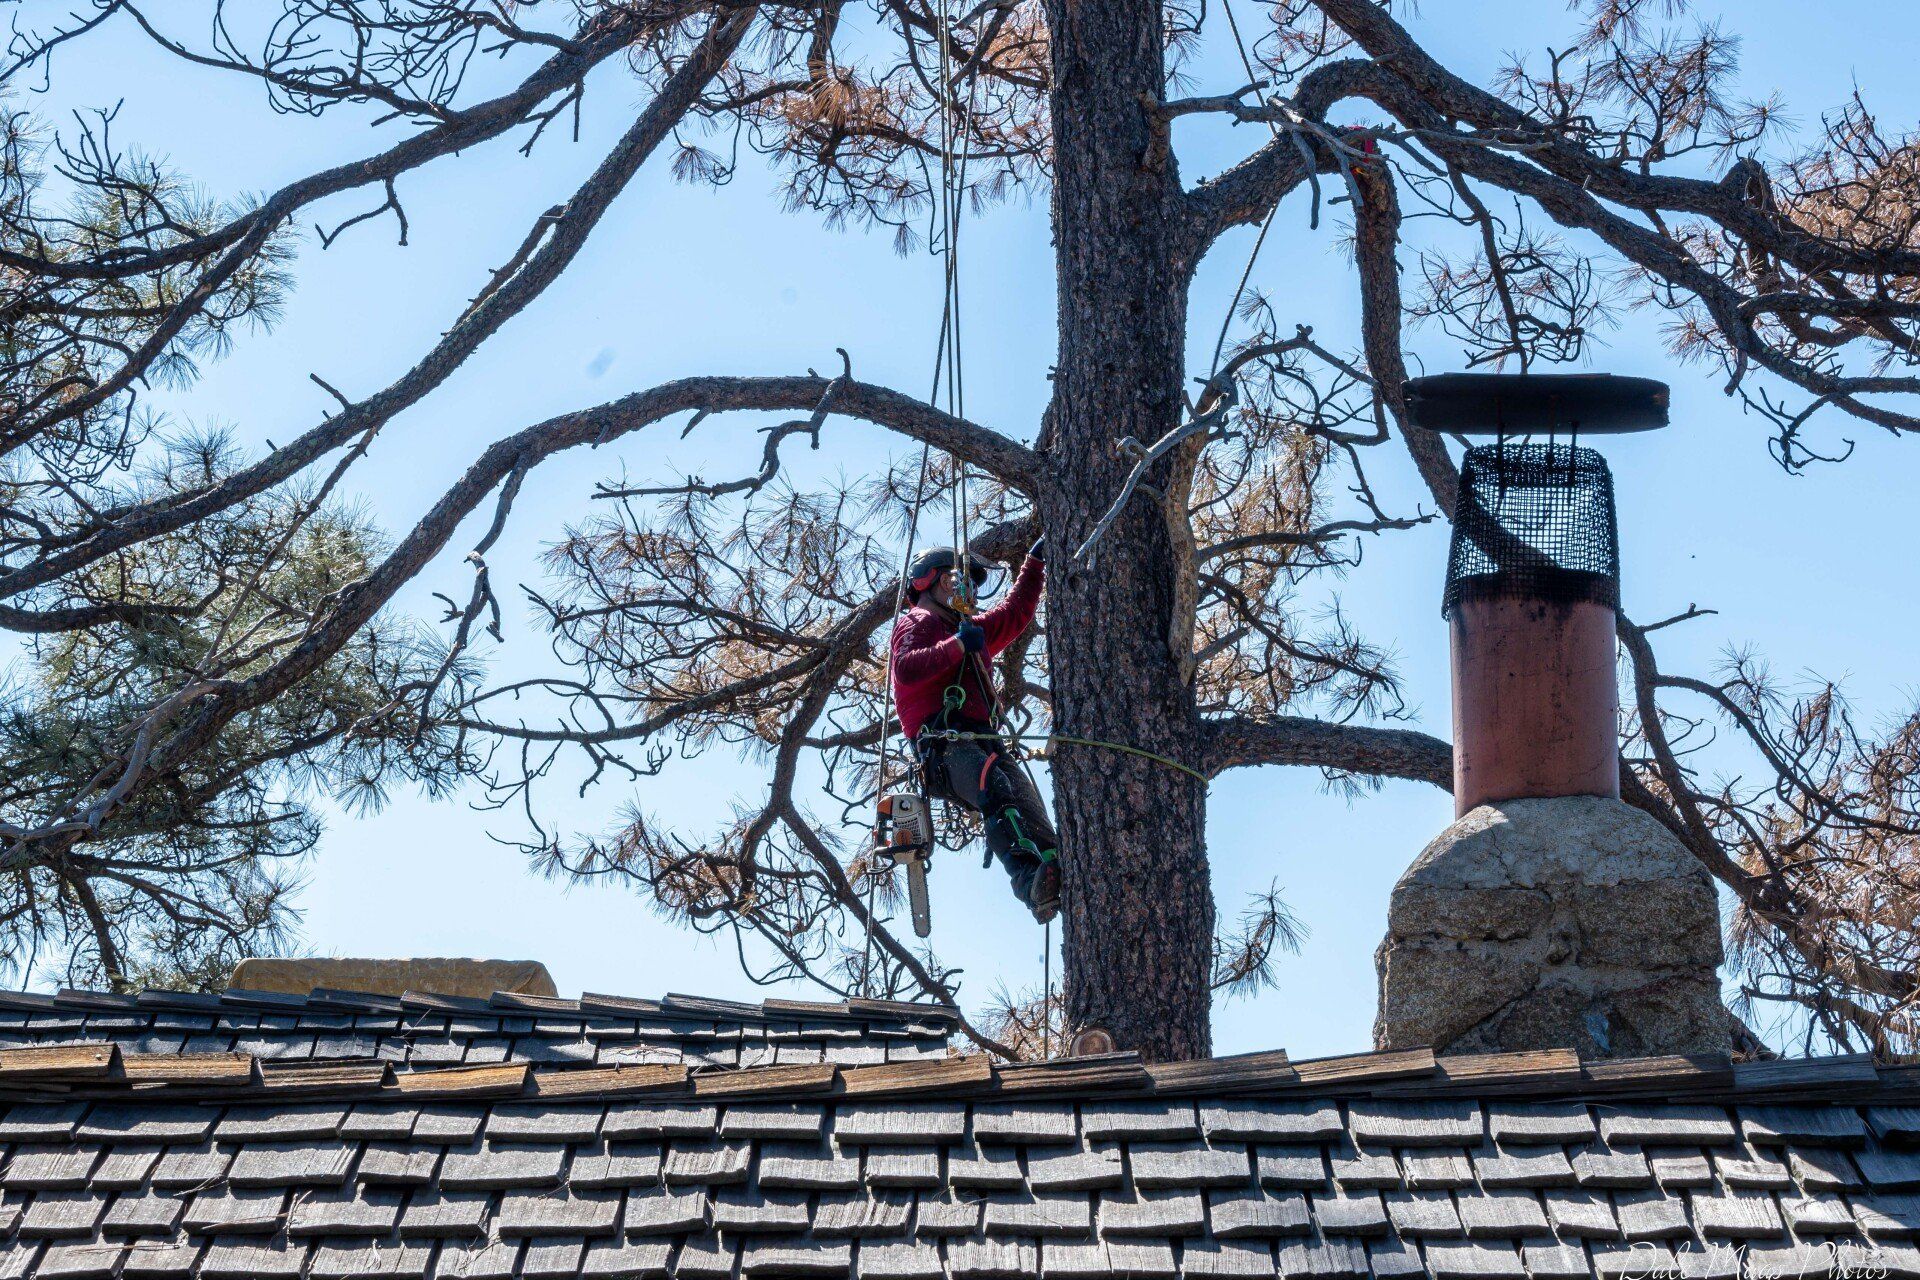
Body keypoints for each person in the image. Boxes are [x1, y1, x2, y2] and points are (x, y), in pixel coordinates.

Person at [889, 537, 1061, 923]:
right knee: (994, 787)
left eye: (970, 584)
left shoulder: (972, 630)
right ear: (927, 581)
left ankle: (1052, 873)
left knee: (1028, 804)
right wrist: (955, 646)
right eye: (955, 581)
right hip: (943, 743)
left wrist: (1033, 565)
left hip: (983, 741)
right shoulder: (918, 621)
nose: (966, 590)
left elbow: (1016, 613)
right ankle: (1026, 877)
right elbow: (906, 669)